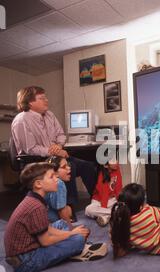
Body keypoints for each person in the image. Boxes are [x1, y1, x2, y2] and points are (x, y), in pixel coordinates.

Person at [4, 162, 108, 272]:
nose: (56, 178)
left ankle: (75, 247)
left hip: (28, 246)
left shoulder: (33, 198)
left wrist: (72, 232)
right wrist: (72, 234)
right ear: (38, 184)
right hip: (25, 260)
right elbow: (45, 241)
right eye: (51, 176)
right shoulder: (36, 207)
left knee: (61, 224)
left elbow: (46, 228)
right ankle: (77, 249)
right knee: (77, 239)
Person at [11, 86, 98, 217]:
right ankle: (68, 210)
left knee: (88, 166)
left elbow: (61, 134)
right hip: (36, 161)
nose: (46, 100)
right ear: (29, 102)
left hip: (54, 157)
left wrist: (58, 145)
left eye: (45, 97)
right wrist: (53, 152)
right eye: (42, 98)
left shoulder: (50, 115)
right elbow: (30, 148)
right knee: (69, 167)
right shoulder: (21, 120)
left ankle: (96, 201)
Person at [85, 159, 122, 227]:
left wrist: (120, 201)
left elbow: (119, 187)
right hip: (99, 201)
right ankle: (116, 214)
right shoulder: (102, 175)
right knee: (88, 210)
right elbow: (104, 194)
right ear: (106, 165)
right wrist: (104, 207)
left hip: (112, 200)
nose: (116, 162)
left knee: (122, 206)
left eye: (116, 160)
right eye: (113, 161)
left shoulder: (117, 169)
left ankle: (105, 218)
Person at [45, 156, 72, 223]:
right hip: (47, 221)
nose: (69, 168)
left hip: (44, 215)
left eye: (68, 165)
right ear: (55, 172)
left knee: (68, 209)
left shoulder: (46, 180)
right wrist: (71, 229)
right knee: (66, 210)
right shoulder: (59, 183)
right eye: (64, 167)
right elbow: (61, 210)